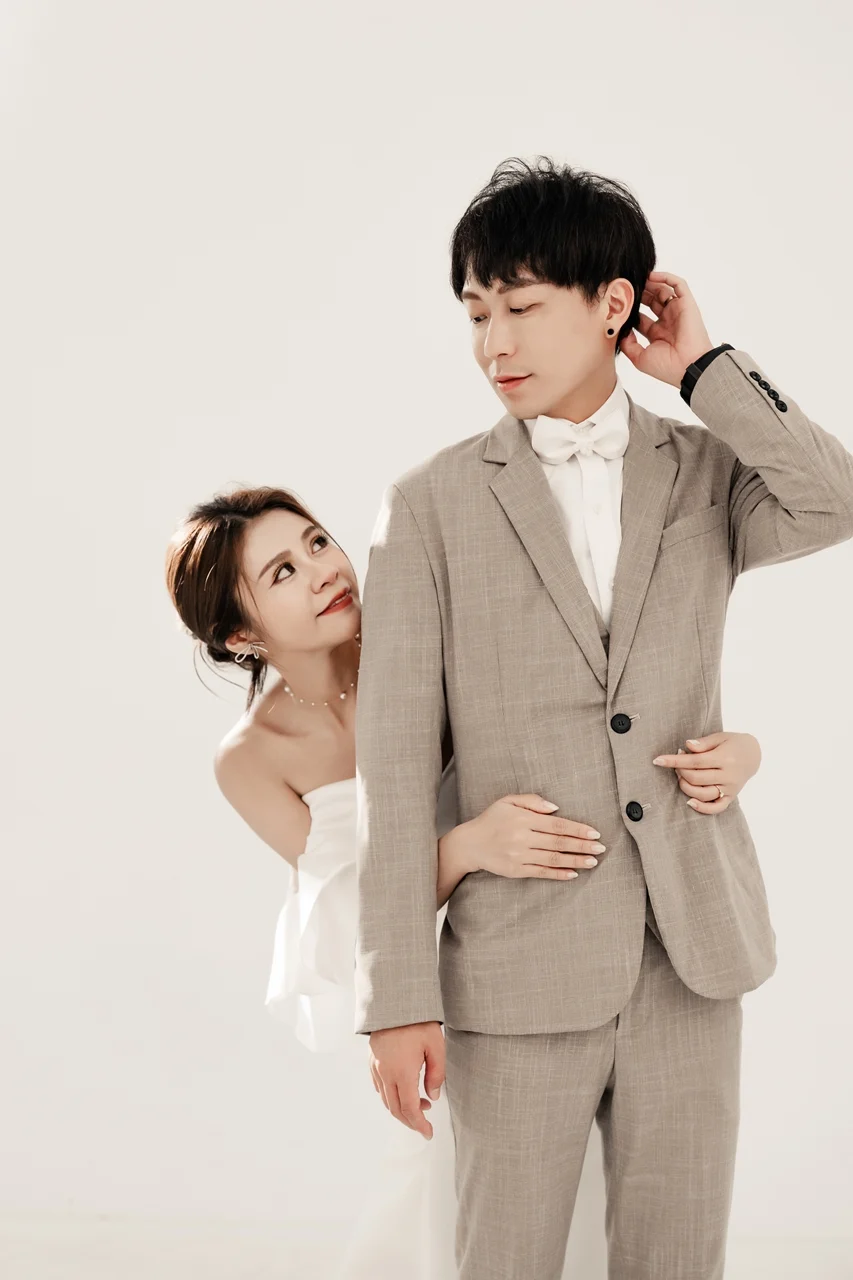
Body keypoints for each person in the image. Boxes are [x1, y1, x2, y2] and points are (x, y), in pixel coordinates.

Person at [353, 157, 853, 1280]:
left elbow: (835, 499)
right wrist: (395, 998)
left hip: (691, 953)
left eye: (522, 308)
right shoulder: (428, 505)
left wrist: (705, 370)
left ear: (614, 304)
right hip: (515, 968)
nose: (493, 344)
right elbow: (391, 761)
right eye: (475, 314)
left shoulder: (707, 470)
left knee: (678, 1262)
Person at [164, 484, 764, 1277]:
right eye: (282, 572)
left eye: (315, 543)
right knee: (475, 1207)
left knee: (620, 1193)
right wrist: (467, 848)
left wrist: (742, 751)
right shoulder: (248, 758)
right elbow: (344, 908)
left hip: (577, 922)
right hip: (444, 984)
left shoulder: (429, 631)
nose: (323, 571)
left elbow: (610, 716)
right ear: (241, 634)